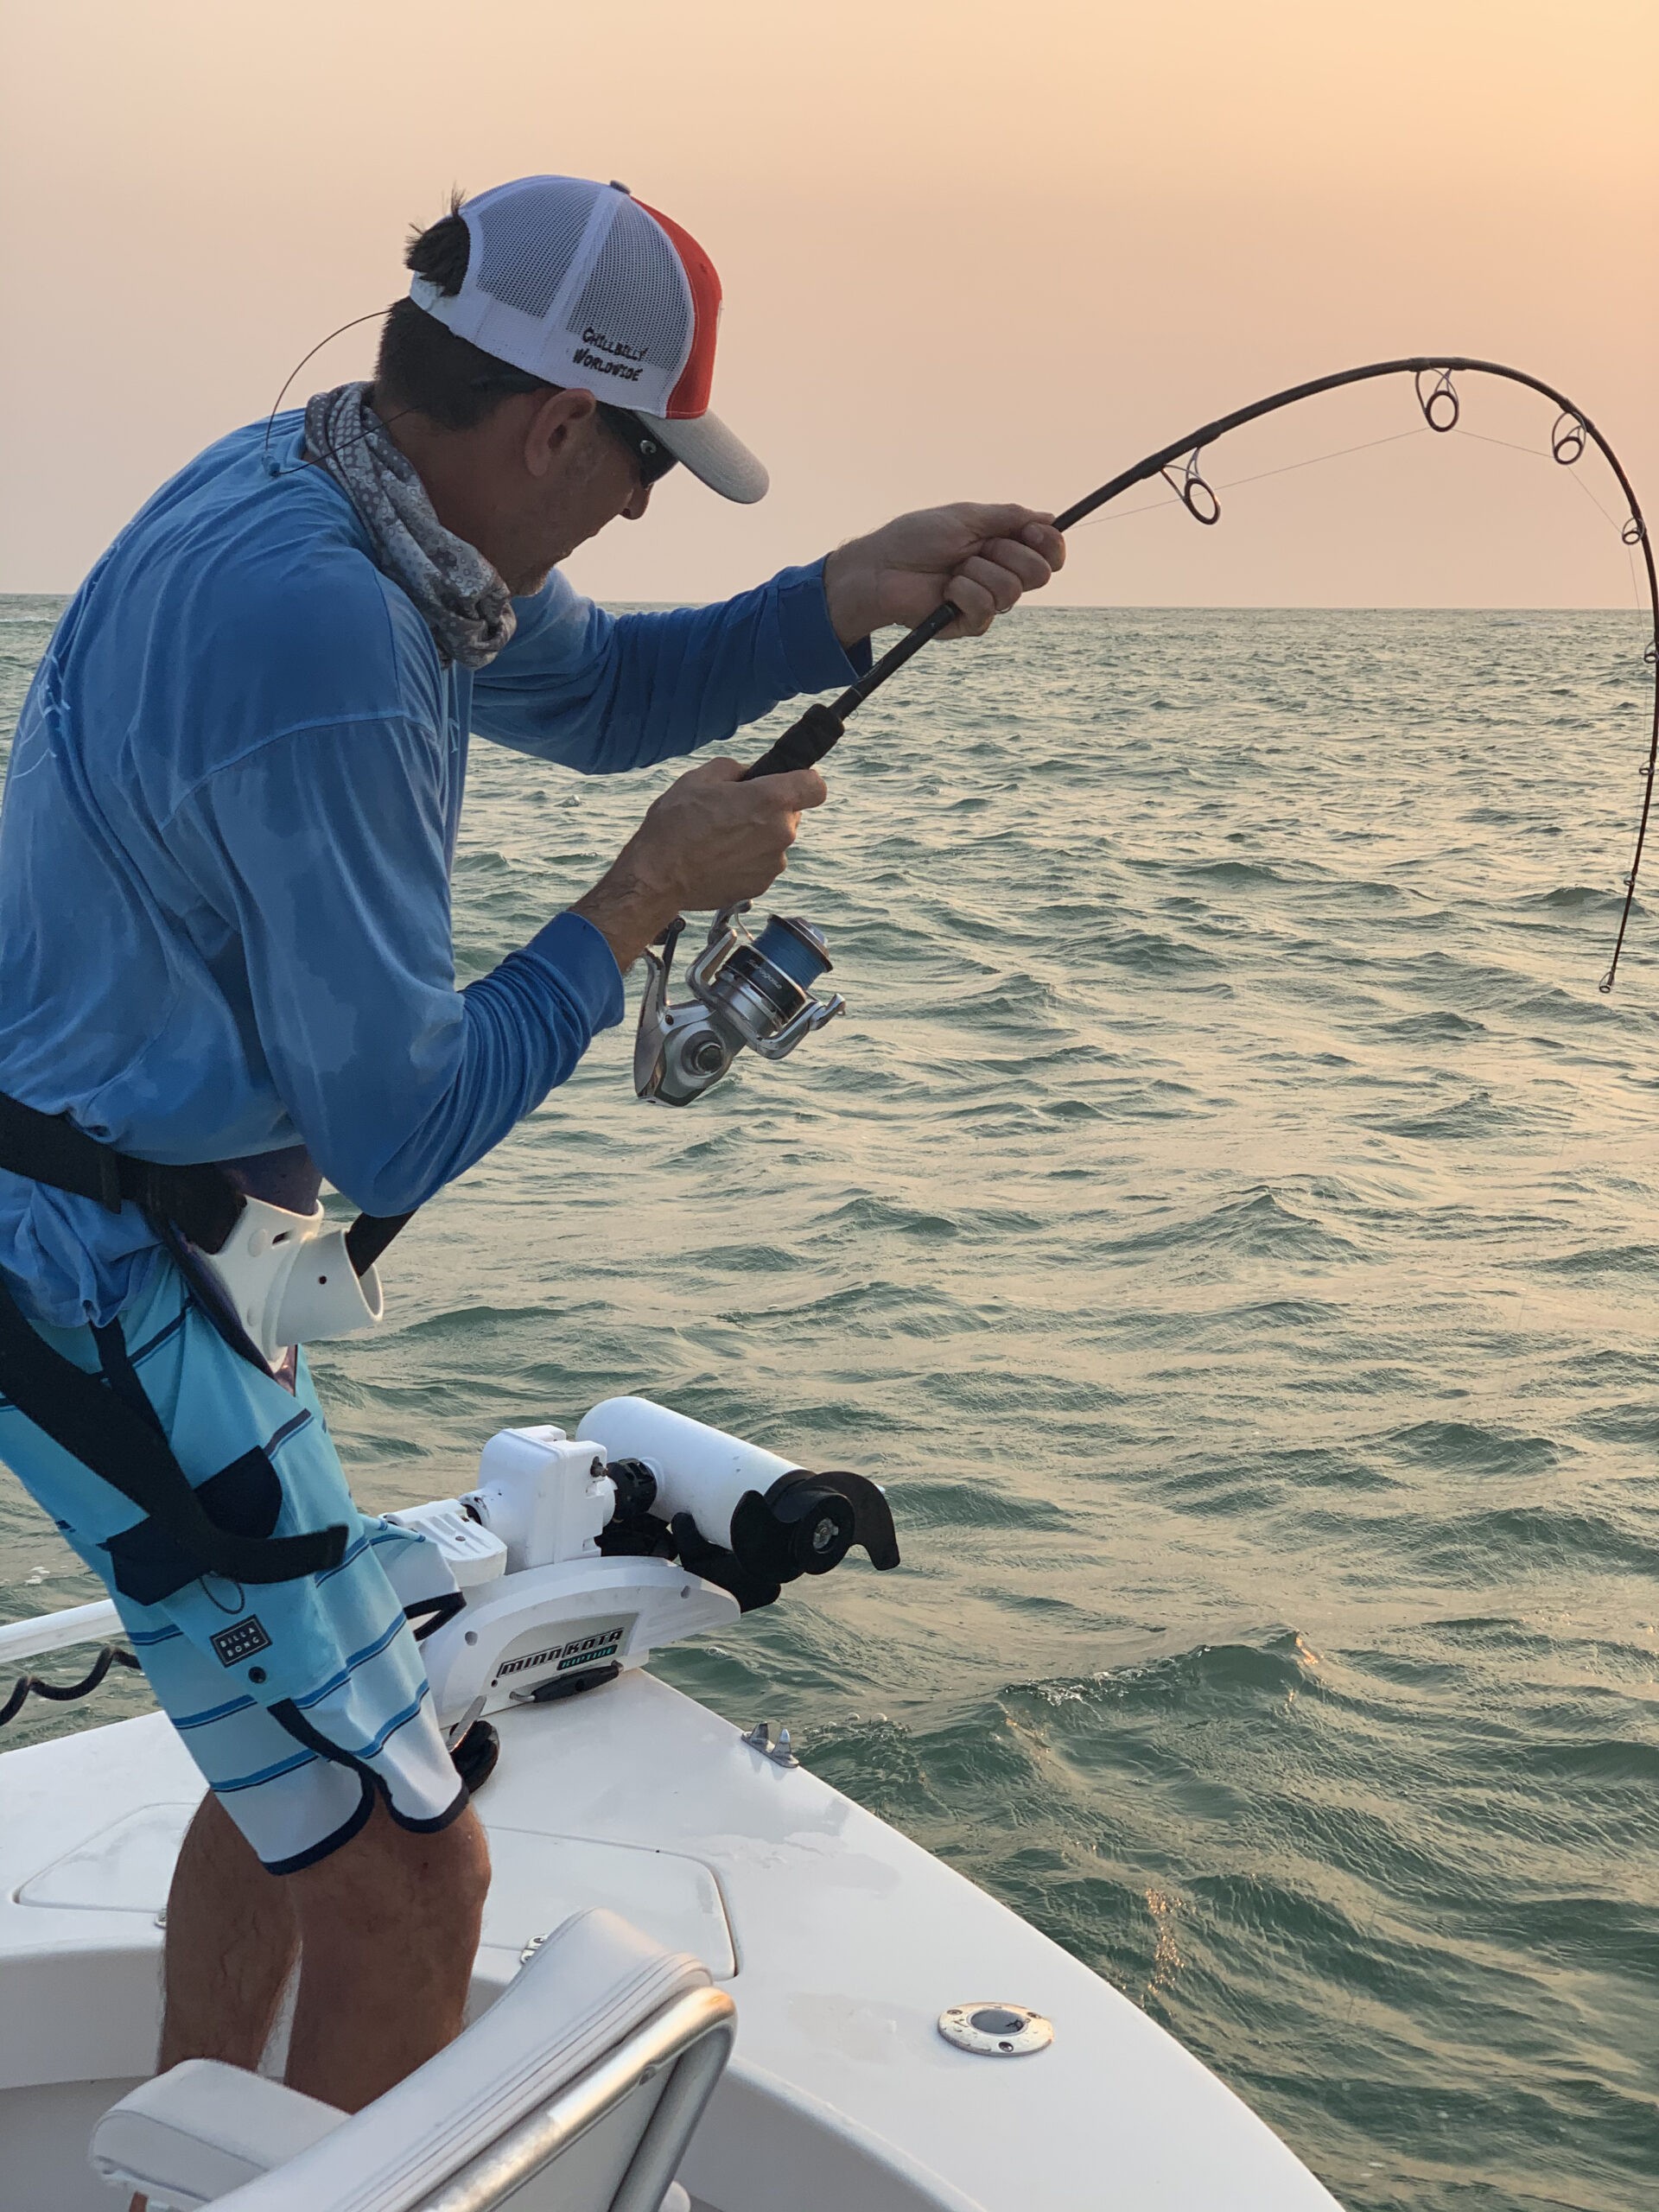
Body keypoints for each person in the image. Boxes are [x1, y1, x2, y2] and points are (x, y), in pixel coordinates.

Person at [0, 174, 1063, 2129]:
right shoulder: (322, 627)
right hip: (89, 1276)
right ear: (559, 423)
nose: (648, 501)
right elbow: (395, 1116)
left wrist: (848, 590)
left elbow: (596, 688)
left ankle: (173, 2175)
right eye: (646, 456)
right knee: (416, 1877)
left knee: (291, 1795)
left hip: (146, 1229)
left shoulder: (338, 488)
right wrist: (647, 892)